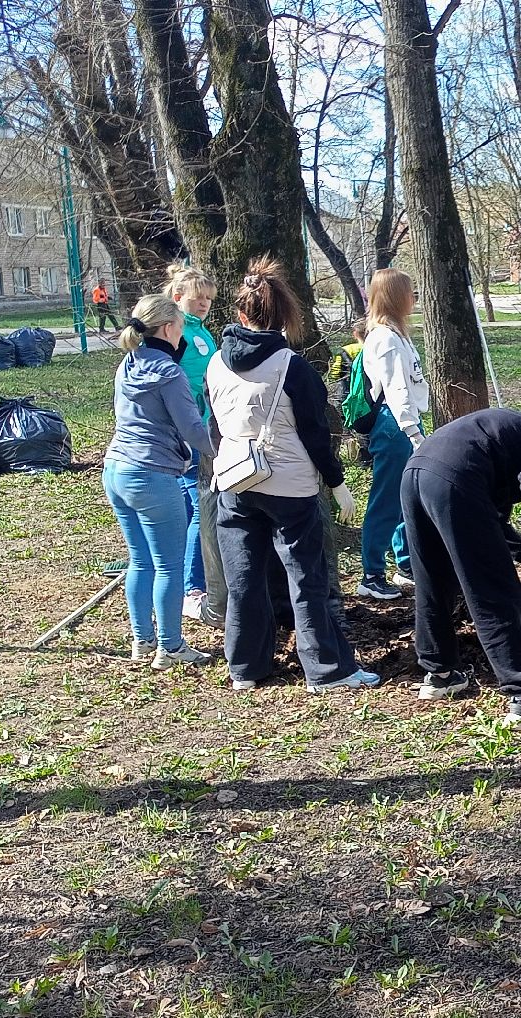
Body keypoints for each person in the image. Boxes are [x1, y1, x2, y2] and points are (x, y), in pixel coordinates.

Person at [208, 257, 377, 693]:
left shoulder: (214, 363)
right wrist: (337, 484)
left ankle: (245, 667)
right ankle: (326, 669)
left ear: (240, 313)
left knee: (243, 577)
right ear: (284, 316)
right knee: (307, 576)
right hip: (289, 485)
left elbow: (214, 423)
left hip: (234, 480)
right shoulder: (292, 367)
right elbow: (317, 434)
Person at [400, 389, 521, 725]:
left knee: (434, 581)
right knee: (495, 591)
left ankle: (441, 675)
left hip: (417, 472)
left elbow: (492, 519)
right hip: (454, 479)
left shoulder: (514, 434)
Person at [103, 293, 213, 671]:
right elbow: (193, 431)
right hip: (152, 476)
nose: (183, 333)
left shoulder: (127, 364)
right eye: (181, 327)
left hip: (116, 471)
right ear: (168, 328)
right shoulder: (169, 373)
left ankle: (142, 640)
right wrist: (228, 449)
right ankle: (170, 648)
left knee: (140, 560)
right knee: (169, 565)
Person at [354, 268, 432, 601]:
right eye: (409, 292)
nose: (414, 298)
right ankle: (371, 574)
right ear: (396, 297)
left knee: (404, 500)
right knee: (386, 501)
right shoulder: (385, 337)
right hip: (396, 424)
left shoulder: (397, 333)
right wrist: (413, 432)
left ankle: (404, 565)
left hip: (405, 420)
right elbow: (396, 387)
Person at [166, 265, 226, 630]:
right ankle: (192, 588)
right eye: (197, 298)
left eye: (207, 299)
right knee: (202, 508)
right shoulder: (178, 333)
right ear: (177, 298)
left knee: (193, 508)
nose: (203, 303)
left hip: (207, 428)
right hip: (190, 433)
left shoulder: (202, 332)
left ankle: (185, 578)